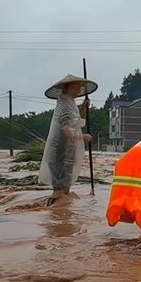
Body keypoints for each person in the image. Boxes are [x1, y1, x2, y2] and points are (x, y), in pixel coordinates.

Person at [39, 74, 98, 206]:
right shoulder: (64, 104)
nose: (79, 90)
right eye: (77, 87)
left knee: (64, 188)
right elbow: (66, 129)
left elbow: (74, 121)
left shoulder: (68, 102)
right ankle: (54, 215)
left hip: (66, 152)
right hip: (59, 152)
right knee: (59, 189)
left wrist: (82, 107)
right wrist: (83, 137)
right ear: (67, 88)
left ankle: (61, 216)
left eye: (80, 87)